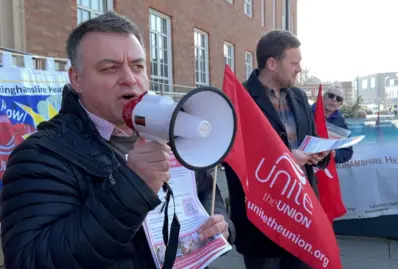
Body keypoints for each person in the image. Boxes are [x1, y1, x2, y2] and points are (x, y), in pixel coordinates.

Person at [0, 11, 234, 269]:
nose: (129, 79)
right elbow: (31, 260)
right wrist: (131, 187)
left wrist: (221, 222)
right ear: (76, 79)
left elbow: (204, 189)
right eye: (110, 68)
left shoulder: (167, 130)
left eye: (138, 66)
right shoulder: (39, 156)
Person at [223, 29, 330, 269]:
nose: (300, 68)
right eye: (295, 62)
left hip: (301, 213)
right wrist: (285, 160)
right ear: (272, 63)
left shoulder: (300, 96)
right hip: (262, 219)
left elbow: (310, 138)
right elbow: (231, 157)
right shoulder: (238, 98)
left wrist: (321, 154)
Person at [312, 85, 354, 164]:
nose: (334, 100)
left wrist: (335, 154)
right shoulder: (307, 113)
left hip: (327, 169)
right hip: (305, 166)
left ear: (340, 104)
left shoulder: (341, 122)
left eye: (338, 99)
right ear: (323, 97)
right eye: (331, 96)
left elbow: (347, 152)